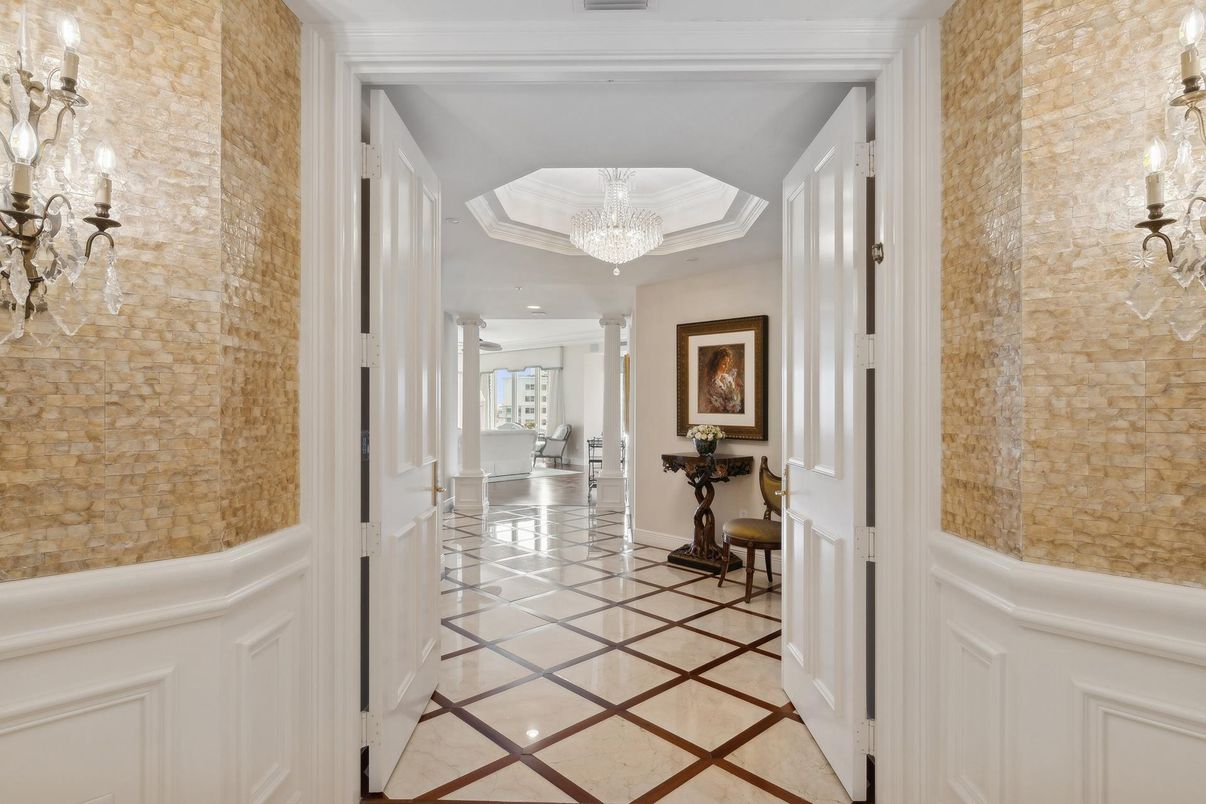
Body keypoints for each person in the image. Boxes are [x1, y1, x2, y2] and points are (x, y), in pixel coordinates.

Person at [702, 346, 744, 414]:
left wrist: (736, 392)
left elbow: (733, 395)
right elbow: (714, 403)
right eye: (724, 364)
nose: (727, 367)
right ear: (716, 363)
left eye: (728, 363)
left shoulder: (727, 378)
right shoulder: (711, 382)